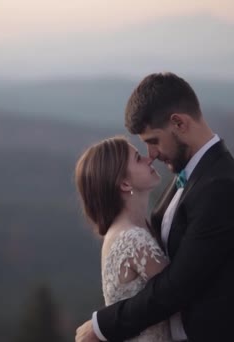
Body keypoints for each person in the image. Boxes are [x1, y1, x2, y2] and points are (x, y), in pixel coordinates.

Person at [76, 72, 234, 342]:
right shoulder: (190, 176)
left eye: (153, 141)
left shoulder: (220, 187)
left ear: (178, 123)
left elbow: (177, 286)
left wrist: (102, 326)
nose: (151, 154)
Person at [75, 136, 172, 341]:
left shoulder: (126, 230)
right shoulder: (133, 239)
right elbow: (176, 292)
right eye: (138, 158)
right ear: (125, 183)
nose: (149, 159)